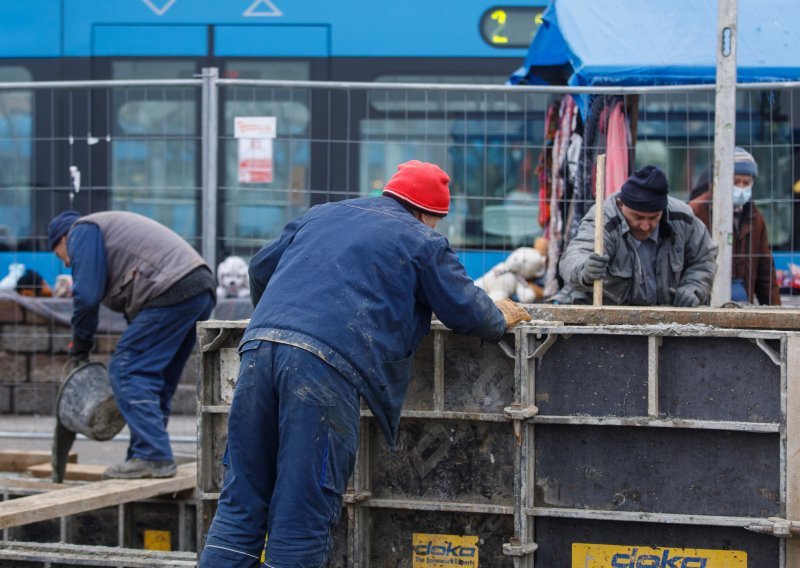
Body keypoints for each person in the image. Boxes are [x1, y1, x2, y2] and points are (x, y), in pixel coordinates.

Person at [199, 160, 531, 567]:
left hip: (256, 352)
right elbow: (468, 313)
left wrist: (283, 322)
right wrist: (500, 316)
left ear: (390, 193)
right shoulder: (422, 241)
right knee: (300, 516)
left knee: (240, 506)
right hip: (321, 372)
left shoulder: (322, 214)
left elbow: (260, 269)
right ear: (431, 214)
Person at [47, 210, 216, 479]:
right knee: (154, 378)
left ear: (64, 238)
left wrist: (80, 348)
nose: (66, 264)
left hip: (171, 288)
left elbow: (86, 298)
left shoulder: (82, 229)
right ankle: (142, 455)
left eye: (59, 255)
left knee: (127, 369)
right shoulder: (107, 233)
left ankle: (152, 455)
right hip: (197, 289)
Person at [556, 165, 717, 306]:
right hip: (600, 315)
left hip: (662, 318)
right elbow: (574, 256)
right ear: (621, 205)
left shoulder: (682, 218)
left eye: (654, 218)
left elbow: (704, 258)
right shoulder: (603, 219)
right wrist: (584, 270)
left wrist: (693, 287)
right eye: (638, 217)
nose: (646, 226)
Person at [689, 147, 781, 305]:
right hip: (703, 305)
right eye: (736, 181)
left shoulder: (755, 217)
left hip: (742, 305)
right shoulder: (696, 212)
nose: (741, 188)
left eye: (747, 183)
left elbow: (766, 273)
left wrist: (777, 315)